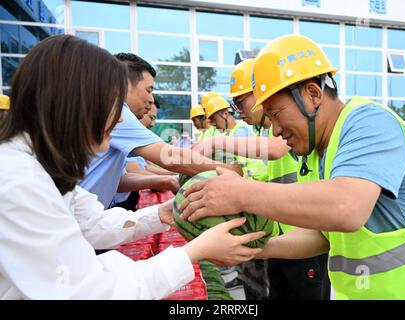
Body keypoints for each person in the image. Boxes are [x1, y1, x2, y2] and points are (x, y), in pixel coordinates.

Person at [0, 35, 264, 299]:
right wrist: (193, 251)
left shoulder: (39, 167)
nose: (119, 116)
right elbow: (88, 291)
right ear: (77, 101)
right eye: (113, 101)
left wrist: (167, 212)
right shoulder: (20, 182)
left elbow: (90, 222)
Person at [181, 34, 405, 299]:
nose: (275, 130)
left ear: (313, 94)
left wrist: (240, 193)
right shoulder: (315, 154)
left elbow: (347, 207)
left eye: (276, 114)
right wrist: (249, 248)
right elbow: (322, 238)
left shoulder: (369, 122)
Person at [79, 53, 241, 209]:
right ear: (125, 84)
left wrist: (166, 181)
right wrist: (229, 170)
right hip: (79, 217)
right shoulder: (118, 112)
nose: (151, 99)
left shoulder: (106, 111)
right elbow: (170, 156)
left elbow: (119, 181)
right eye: (149, 90)